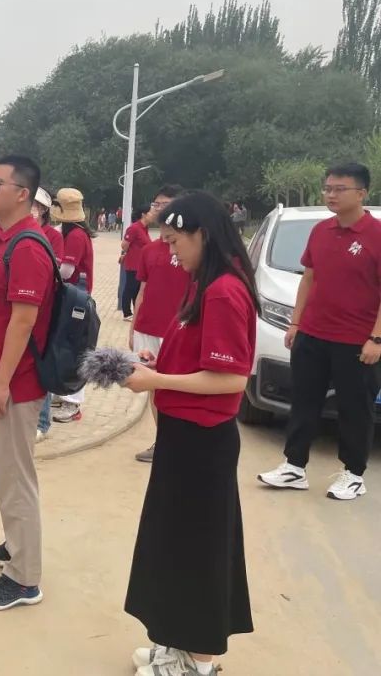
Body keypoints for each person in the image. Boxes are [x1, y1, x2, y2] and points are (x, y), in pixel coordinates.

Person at [120, 191, 256, 676]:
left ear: (203, 234)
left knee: (199, 548)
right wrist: (162, 362)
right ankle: (177, 644)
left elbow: (232, 378)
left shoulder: (222, 290)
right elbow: (199, 358)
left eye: (176, 240)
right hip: (184, 434)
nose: (171, 250)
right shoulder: (203, 284)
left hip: (203, 440)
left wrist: (156, 380)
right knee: (174, 543)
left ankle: (199, 661)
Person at [259, 162, 381, 501]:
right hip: (313, 334)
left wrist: (376, 338)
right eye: (327, 188)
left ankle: (353, 474)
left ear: (362, 193)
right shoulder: (320, 231)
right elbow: (308, 278)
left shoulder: (376, 235)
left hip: (356, 341)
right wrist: (296, 323)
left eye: (339, 189)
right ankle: (294, 467)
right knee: (303, 402)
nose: (330, 194)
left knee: (354, 409)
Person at [0, 155, 55, 610]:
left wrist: (1, 383)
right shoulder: (8, 240)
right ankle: (14, 545)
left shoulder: (27, 248)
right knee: (7, 473)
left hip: (15, 386)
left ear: (22, 194)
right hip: (0, 381)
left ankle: (24, 579)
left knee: (17, 477)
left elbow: (23, 321)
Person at [130, 184, 189, 463]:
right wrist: (133, 327)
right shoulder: (149, 250)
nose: (158, 209)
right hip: (147, 328)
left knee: (176, 388)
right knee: (154, 388)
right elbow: (142, 291)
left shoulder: (192, 249)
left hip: (178, 331)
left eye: (165, 204)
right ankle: (162, 441)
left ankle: (180, 442)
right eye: (156, 204)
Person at [50, 188, 94, 423]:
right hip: (72, 297)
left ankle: (73, 403)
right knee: (65, 346)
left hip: (75, 300)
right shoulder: (73, 233)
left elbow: (66, 271)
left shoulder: (75, 236)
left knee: (74, 349)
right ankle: (64, 394)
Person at [32, 187, 64, 443]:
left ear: (43, 210)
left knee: (41, 364)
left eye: (35, 206)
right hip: (19, 308)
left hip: (45, 308)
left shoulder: (52, 236)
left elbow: (56, 271)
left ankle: (42, 421)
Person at [121, 203, 155, 320]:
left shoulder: (145, 229)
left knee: (137, 290)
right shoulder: (134, 228)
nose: (153, 215)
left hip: (142, 265)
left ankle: (137, 312)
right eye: (151, 212)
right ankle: (126, 312)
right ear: (144, 214)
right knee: (130, 288)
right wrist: (129, 254)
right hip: (133, 265)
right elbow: (124, 245)